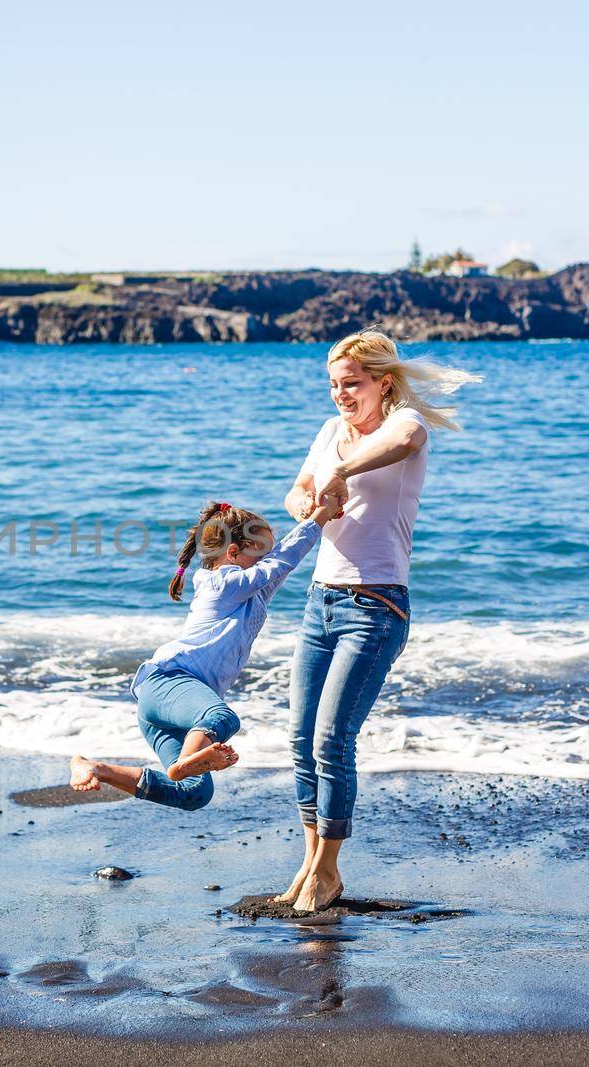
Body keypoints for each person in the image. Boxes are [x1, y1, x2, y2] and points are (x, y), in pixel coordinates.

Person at [273, 327, 479, 911]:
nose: (341, 395)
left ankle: (328, 870)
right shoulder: (329, 431)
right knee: (300, 738)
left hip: (376, 605)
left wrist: (341, 475)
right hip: (321, 602)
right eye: (335, 385)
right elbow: (298, 490)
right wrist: (306, 501)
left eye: (352, 384)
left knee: (333, 739)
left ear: (382, 383)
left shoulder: (403, 424)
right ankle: (312, 862)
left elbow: (402, 444)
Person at [70, 495, 342, 809]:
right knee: (222, 717)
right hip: (170, 682)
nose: (268, 562)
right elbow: (280, 562)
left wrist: (315, 521)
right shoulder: (220, 584)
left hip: (170, 708)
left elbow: (283, 559)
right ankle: (184, 763)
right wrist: (322, 515)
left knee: (193, 793)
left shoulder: (249, 591)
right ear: (234, 553)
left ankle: (98, 768)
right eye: (261, 555)